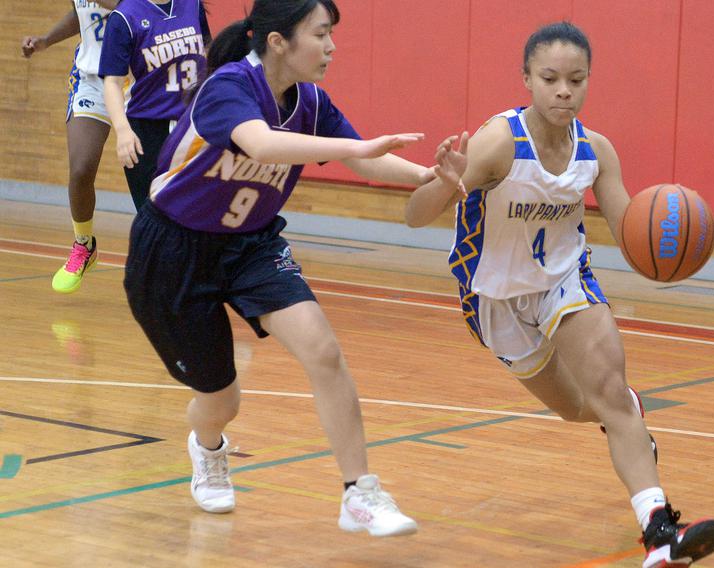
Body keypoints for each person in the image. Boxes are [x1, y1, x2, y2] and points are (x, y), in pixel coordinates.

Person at [123, 0, 448, 537]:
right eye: (321, 34)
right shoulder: (227, 86)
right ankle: (208, 448)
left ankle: (359, 493)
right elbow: (262, 143)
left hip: (250, 244)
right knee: (221, 399)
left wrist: (433, 175)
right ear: (278, 41)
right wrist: (354, 144)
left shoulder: (311, 103)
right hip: (173, 249)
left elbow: (366, 158)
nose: (331, 46)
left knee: (323, 349)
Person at [405, 22, 714, 567]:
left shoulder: (595, 151)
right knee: (578, 409)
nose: (563, 91)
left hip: (564, 282)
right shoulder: (498, 143)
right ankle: (625, 419)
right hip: (495, 299)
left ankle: (659, 531)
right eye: (550, 78)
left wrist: (670, 239)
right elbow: (413, 217)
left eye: (576, 79)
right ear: (526, 78)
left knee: (612, 394)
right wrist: (444, 181)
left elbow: (632, 234)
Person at [22, 0, 120, 294]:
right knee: (80, 169)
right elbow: (82, 13)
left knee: (154, 176)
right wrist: (47, 40)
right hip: (92, 79)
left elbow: (131, 6)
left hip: (138, 78)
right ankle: (83, 244)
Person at [100, 0, 210, 210]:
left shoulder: (193, 4)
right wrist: (123, 131)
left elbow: (209, 51)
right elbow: (112, 82)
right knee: (154, 217)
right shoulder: (124, 17)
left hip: (192, 126)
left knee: (197, 213)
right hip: (147, 129)